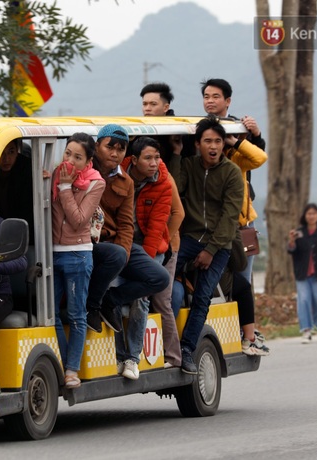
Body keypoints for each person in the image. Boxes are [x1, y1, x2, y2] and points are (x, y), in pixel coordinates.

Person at [86, 124, 169, 380]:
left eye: (121, 148)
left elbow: (125, 224)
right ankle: (94, 307)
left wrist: (124, 253)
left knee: (159, 278)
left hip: (117, 245)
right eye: (109, 146)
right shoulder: (84, 172)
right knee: (115, 257)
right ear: (97, 146)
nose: (115, 152)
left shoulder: (126, 181)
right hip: (88, 243)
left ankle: (111, 300)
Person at [173, 115, 243, 374]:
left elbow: (230, 216)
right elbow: (176, 188)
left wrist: (211, 251)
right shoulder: (189, 165)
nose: (213, 146)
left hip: (219, 244)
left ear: (223, 144)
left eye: (217, 141)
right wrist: (178, 155)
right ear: (198, 144)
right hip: (189, 238)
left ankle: (187, 349)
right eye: (207, 141)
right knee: (160, 276)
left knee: (203, 296)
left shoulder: (232, 173)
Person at [120, 136, 181, 368]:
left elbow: (158, 228)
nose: (154, 162)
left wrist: (142, 264)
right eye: (148, 158)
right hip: (125, 242)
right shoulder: (119, 173)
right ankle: (118, 354)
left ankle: (172, 358)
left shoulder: (163, 183)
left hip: (155, 245)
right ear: (134, 159)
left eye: (157, 157)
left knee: (156, 297)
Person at [51, 133, 105, 389]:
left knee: (76, 315)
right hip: (51, 252)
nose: (70, 160)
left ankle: (72, 370)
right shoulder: (53, 175)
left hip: (78, 253)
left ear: (88, 161)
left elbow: (79, 219)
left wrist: (64, 188)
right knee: (49, 314)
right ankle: (61, 364)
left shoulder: (96, 183)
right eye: (67, 153)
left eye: (77, 157)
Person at [201, 78, 266, 283]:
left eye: (215, 96)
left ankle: (244, 315)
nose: (210, 101)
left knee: (242, 276)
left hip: (240, 218)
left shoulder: (239, 127)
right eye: (206, 97)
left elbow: (258, 156)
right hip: (211, 218)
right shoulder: (200, 127)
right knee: (213, 277)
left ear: (228, 101)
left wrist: (252, 136)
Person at [287, 203, 317, 344]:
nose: (311, 216)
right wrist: (292, 241)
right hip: (302, 275)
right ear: (305, 216)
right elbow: (291, 251)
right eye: (309, 213)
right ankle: (306, 330)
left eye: (314, 213)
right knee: (304, 300)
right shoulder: (299, 233)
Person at [0, 139, 35, 242]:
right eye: (1, 153)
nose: (6, 159)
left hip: (25, 235)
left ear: (17, 152)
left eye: (11, 152)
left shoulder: (28, 172)